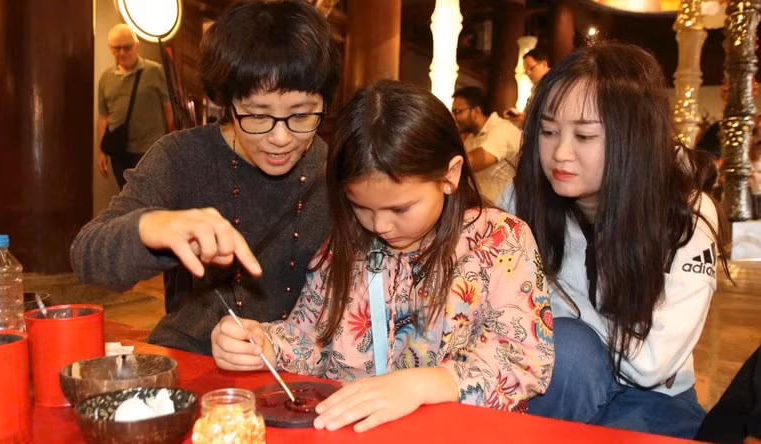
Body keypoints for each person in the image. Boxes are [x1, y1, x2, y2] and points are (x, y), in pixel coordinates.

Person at [212, 80, 554, 432]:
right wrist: (266, 346)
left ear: (450, 176)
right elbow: (309, 339)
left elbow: (523, 361)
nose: (380, 225)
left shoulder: (500, 242)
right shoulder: (347, 245)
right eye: (361, 206)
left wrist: (423, 384)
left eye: (400, 208)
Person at [71, 0, 340, 355]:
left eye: (302, 115)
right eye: (258, 115)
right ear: (228, 104)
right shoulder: (181, 157)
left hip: (299, 364)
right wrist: (151, 227)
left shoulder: (334, 166)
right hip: (194, 353)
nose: (281, 137)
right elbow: (87, 257)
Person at [501, 42, 729, 438]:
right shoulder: (524, 197)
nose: (560, 153)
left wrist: (555, 292)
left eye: (585, 136)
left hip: (656, 397)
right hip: (567, 380)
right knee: (568, 347)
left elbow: (653, 363)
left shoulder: (685, 214)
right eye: (549, 131)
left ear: (634, 137)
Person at [98, 24, 175, 189]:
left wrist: (167, 142)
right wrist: (102, 151)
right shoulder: (106, 78)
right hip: (119, 151)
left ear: (137, 46)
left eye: (127, 47)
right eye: (116, 48)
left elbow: (169, 109)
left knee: (148, 196)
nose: (122, 53)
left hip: (148, 149)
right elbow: (104, 116)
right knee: (126, 196)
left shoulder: (155, 71)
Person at [451, 87, 521, 202]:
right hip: (482, 209)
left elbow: (469, 163)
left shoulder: (503, 128)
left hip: (504, 213)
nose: (455, 117)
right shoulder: (472, 137)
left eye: (458, 112)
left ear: (476, 111)